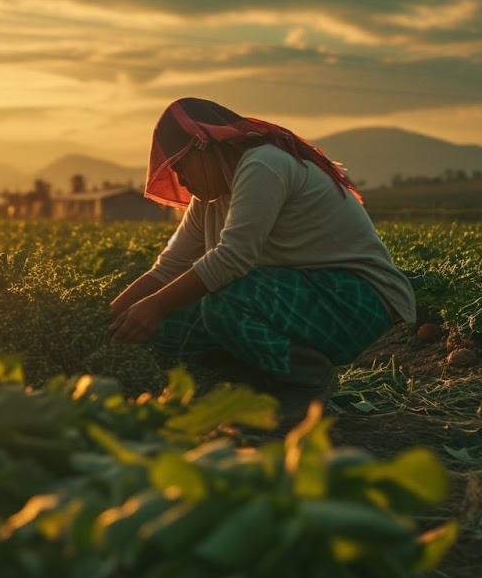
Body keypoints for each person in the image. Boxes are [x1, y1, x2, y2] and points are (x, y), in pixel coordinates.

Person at [109, 97, 416, 424]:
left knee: (223, 301)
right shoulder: (210, 198)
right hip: (301, 300)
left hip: (359, 302)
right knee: (167, 325)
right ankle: (258, 378)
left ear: (206, 147)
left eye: (182, 170)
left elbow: (233, 258)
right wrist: (109, 318)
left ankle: (307, 378)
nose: (183, 183)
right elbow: (167, 269)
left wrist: (154, 305)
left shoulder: (263, 164)